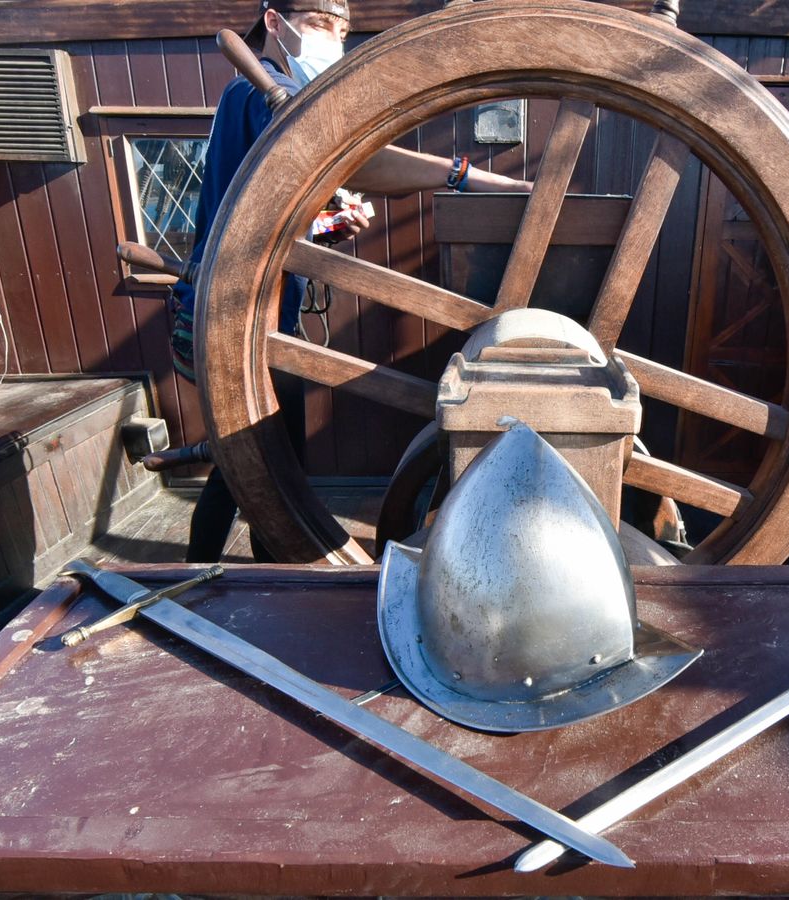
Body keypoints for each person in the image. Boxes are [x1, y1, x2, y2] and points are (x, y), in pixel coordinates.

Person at [179, 0, 533, 562]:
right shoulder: (259, 92)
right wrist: (478, 179)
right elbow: (362, 163)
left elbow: (267, 209)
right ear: (275, 22)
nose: (334, 43)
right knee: (260, 467)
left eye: (343, 31)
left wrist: (322, 227)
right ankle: (242, 580)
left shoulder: (263, 97)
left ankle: (244, 572)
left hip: (253, 307)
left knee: (256, 463)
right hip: (231, 313)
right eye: (321, 25)